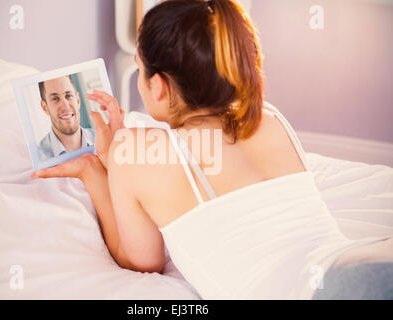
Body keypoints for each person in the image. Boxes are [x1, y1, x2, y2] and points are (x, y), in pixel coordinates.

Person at [31, 0, 393, 299]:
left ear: (157, 86)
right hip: (360, 262)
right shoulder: (268, 119)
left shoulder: (135, 152)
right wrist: (121, 156)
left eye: (140, 70)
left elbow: (141, 261)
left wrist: (96, 171)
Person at [37, 75, 95, 160]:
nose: (65, 106)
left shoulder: (103, 141)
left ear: (78, 100)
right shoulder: (39, 157)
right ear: (45, 107)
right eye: (55, 98)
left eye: (68, 96)